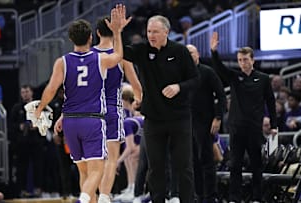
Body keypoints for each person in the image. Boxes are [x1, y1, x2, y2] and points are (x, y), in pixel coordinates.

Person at [35, 4, 129, 203]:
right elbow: (119, 56)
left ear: (70, 39)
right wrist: (117, 32)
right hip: (92, 121)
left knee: (84, 172)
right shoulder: (100, 59)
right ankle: (83, 200)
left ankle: (87, 199)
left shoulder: (62, 62)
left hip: (70, 122)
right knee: (97, 170)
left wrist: (40, 109)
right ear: (90, 38)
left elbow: (51, 89)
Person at [123, 15, 199, 203]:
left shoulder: (180, 51)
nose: (151, 35)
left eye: (155, 31)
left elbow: (195, 79)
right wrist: (117, 32)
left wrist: (178, 87)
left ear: (166, 31)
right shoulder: (142, 51)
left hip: (179, 118)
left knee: (184, 166)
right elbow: (120, 53)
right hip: (153, 119)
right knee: (155, 167)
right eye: (149, 31)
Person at [210, 32, 277, 203]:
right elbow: (219, 68)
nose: (242, 63)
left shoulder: (263, 79)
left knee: (257, 166)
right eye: (240, 60)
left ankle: (257, 198)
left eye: (245, 59)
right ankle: (234, 199)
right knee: (235, 166)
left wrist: (274, 125)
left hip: (254, 128)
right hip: (237, 128)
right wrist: (214, 52)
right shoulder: (234, 77)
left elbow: (270, 101)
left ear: (253, 60)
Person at [91, 16, 142, 203]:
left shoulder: (87, 55)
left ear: (97, 33)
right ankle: (104, 196)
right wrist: (138, 101)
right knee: (112, 158)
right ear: (115, 31)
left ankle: (96, 195)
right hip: (112, 110)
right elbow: (136, 87)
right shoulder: (122, 56)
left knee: (95, 159)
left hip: (90, 112)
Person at [186, 44, 226, 203]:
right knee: (192, 160)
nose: (189, 55)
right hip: (186, 122)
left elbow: (221, 95)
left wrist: (218, 117)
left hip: (205, 122)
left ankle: (211, 196)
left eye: (191, 52)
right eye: (186, 52)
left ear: (198, 54)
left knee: (206, 159)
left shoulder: (208, 72)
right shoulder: (181, 74)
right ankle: (198, 195)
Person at [10, 85, 44, 198]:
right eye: (23, 92)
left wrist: (37, 125)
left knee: (38, 166)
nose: (25, 94)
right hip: (22, 142)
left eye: (27, 91)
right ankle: (22, 189)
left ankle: (38, 188)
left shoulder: (38, 106)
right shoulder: (17, 108)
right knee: (21, 167)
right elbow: (11, 125)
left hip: (36, 141)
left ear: (32, 93)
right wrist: (20, 126)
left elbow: (46, 121)